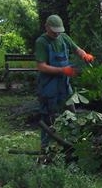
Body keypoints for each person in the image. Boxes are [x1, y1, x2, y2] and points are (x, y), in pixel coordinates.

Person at [34, 14, 94, 149]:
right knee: (48, 117)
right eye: (54, 31)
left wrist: (85, 55)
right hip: (48, 85)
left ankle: (72, 143)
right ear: (47, 27)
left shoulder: (64, 38)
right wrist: (62, 70)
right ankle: (45, 148)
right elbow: (41, 66)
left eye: (58, 31)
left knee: (71, 113)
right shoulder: (41, 42)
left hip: (64, 85)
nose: (56, 34)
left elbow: (77, 49)